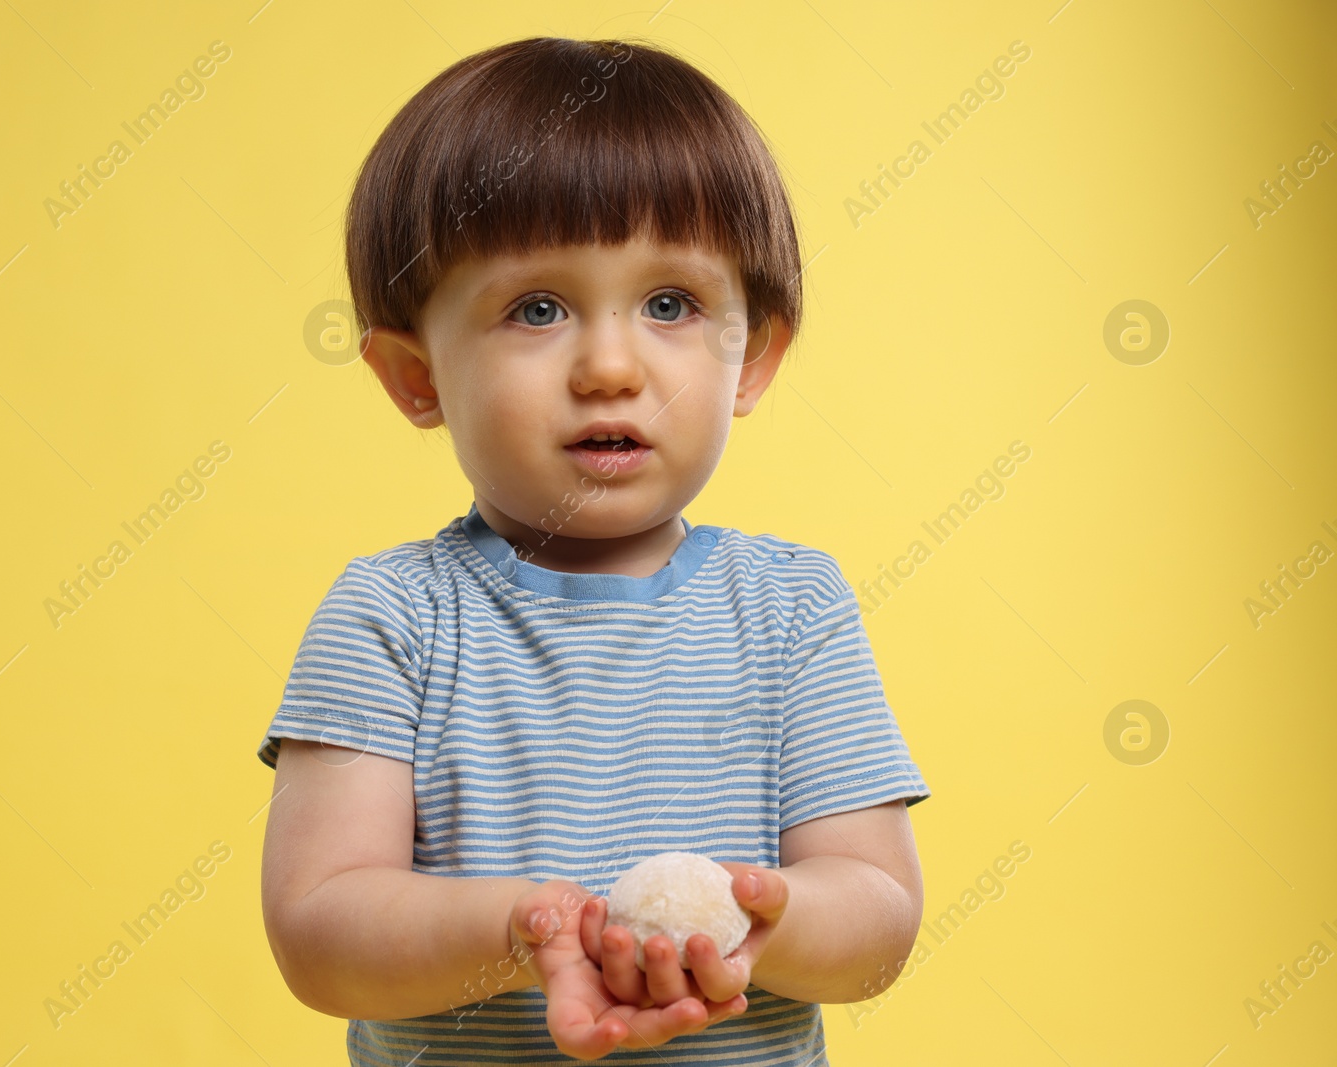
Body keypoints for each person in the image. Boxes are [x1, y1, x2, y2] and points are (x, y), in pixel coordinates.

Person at [256, 34, 930, 1066]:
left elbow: (877, 918)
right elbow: (321, 934)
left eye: (670, 304)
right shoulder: (390, 616)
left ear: (753, 355)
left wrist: (761, 918)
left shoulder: (794, 608)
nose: (611, 366)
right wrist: (529, 932)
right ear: (413, 376)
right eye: (536, 308)